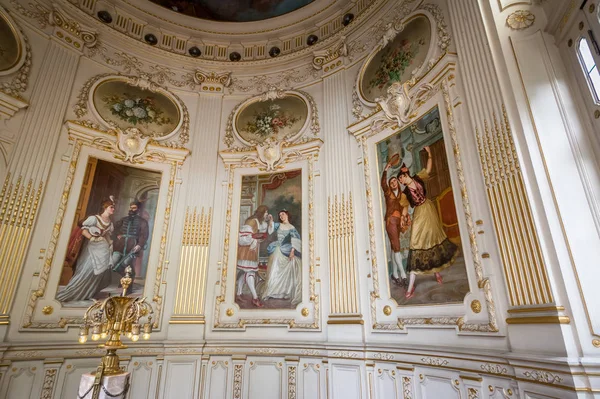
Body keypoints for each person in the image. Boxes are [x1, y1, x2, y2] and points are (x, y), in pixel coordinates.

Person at [399, 146, 459, 299]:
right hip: (419, 213)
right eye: (399, 180)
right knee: (417, 243)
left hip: (429, 209)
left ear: (406, 174)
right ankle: (411, 287)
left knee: (433, 239)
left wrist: (430, 153)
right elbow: (405, 209)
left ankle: (436, 271)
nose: (401, 180)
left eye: (401, 177)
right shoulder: (405, 194)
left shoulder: (418, 178)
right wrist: (403, 218)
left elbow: (429, 168)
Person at [56, 198, 116, 302]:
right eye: (111, 207)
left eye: (113, 207)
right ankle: (74, 292)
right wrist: (92, 238)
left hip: (102, 250)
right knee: (87, 270)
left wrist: (110, 242)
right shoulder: (94, 219)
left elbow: (106, 235)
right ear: (105, 207)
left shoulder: (110, 223)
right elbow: (83, 230)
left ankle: (88, 293)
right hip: (90, 249)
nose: (113, 209)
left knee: (97, 272)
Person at [261, 210, 302, 306]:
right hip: (278, 248)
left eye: (283, 214)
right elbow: (270, 230)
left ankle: (285, 292)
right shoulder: (278, 225)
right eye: (279, 215)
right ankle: (272, 291)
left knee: (292, 264)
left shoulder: (292, 228)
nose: (281, 216)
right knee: (274, 266)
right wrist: (271, 220)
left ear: (287, 214)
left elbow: (296, 240)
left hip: (287, 249)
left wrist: (292, 251)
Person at [236, 205, 273, 308]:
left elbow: (267, 230)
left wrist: (270, 221)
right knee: (250, 273)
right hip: (246, 251)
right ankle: (255, 298)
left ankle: (238, 294)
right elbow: (242, 238)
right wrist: (254, 237)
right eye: (265, 212)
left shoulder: (259, 222)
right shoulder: (252, 221)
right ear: (262, 212)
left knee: (245, 272)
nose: (266, 214)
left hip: (252, 250)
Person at [110, 201, 149, 294]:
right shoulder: (123, 219)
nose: (132, 209)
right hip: (120, 245)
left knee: (127, 264)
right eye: (131, 207)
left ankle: (128, 288)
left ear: (138, 209)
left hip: (133, 246)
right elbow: (113, 229)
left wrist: (139, 245)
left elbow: (144, 235)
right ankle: (126, 279)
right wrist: (117, 235)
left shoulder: (142, 222)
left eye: (134, 208)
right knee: (114, 263)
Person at [381, 159, 409, 287]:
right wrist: (386, 169)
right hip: (390, 221)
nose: (393, 183)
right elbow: (383, 183)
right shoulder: (388, 193)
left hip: (397, 222)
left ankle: (395, 274)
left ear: (398, 183)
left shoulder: (401, 195)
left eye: (394, 181)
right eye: (391, 182)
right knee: (397, 247)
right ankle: (403, 275)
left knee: (394, 247)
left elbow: (404, 206)